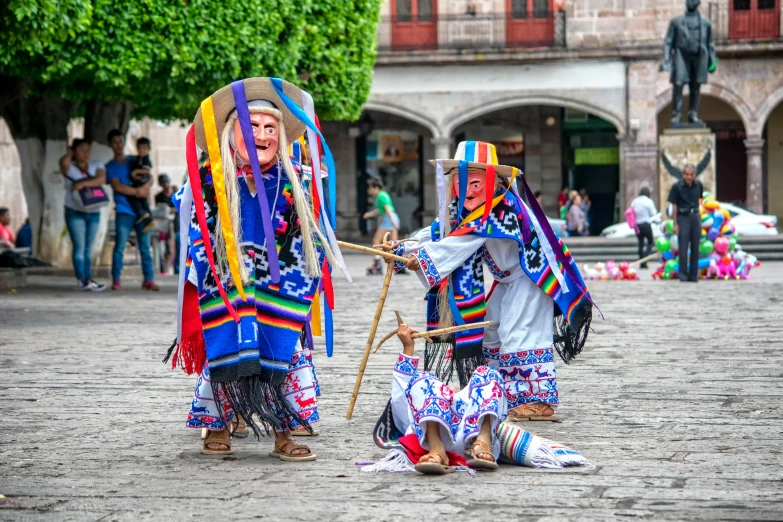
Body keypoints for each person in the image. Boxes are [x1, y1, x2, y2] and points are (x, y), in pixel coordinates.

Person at [168, 77, 349, 458]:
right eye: (251, 126)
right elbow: (197, 228)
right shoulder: (210, 180)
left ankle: (284, 432)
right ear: (231, 132)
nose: (261, 135)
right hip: (227, 283)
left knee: (283, 350)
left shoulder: (295, 181)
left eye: (270, 128)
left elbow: (309, 236)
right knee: (225, 346)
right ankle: (219, 425)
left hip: (279, 284)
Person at [381, 141, 594, 423]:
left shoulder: (502, 206)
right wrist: (402, 249)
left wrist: (421, 260)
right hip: (507, 281)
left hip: (531, 279)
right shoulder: (466, 210)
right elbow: (440, 233)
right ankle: (495, 392)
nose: (467, 189)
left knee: (519, 333)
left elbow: (461, 242)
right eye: (461, 180)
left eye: (475, 182)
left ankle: (536, 401)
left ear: (492, 180)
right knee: (491, 331)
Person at [389, 322, 506, 474]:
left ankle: (483, 442)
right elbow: (400, 401)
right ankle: (437, 449)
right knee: (423, 379)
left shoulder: (466, 400)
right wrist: (408, 348)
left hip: (469, 438)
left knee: (487, 373)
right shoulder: (422, 403)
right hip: (430, 443)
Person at [104, 130, 158, 291]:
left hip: (141, 210)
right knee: (120, 246)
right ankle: (116, 279)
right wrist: (137, 192)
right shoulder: (110, 166)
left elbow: (150, 176)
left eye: (121, 141)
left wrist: (146, 187)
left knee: (145, 247)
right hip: (124, 210)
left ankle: (149, 278)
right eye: (115, 142)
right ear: (110, 145)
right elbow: (116, 186)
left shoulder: (133, 160)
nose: (118, 145)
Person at [59, 139, 107, 291]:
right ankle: (82, 279)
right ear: (74, 151)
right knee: (79, 247)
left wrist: (82, 184)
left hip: (93, 211)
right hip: (74, 210)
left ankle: (89, 278)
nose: (85, 153)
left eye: (88, 150)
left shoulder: (95, 164)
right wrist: (70, 152)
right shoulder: (70, 167)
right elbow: (63, 163)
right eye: (81, 150)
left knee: (88, 248)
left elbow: (101, 179)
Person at [668, 163, 703, 282]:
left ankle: (693, 275)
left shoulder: (699, 185)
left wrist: (700, 219)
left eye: (691, 174)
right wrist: (675, 224)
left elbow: (700, 201)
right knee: (683, 248)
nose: (689, 177)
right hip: (683, 217)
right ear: (683, 175)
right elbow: (674, 206)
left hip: (696, 216)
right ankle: (682, 275)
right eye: (687, 174)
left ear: (695, 175)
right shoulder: (676, 187)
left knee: (695, 247)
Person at [362, 179, 400, 275]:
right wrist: (370, 214)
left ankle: (377, 263)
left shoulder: (381, 195)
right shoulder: (383, 194)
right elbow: (381, 209)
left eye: (371, 188)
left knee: (376, 241)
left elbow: (387, 208)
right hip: (391, 218)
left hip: (388, 219)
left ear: (376, 188)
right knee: (394, 244)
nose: (369, 190)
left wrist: (392, 220)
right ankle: (400, 265)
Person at [127, 138, 154, 232]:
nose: (141, 150)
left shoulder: (145, 159)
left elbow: (147, 170)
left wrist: (136, 172)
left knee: (135, 198)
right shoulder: (138, 158)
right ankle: (146, 217)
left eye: (144, 148)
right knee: (142, 201)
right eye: (139, 148)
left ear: (148, 149)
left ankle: (143, 214)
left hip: (140, 183)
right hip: (139, 182)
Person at [155, 174, 177, 275]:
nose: (166, 185)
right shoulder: (159, 196)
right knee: (164, 246)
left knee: (173, 246)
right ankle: (164, 269)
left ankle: (174, 268)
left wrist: (171, 210)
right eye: (163, 183)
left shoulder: (175, 194)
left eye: (167, 182)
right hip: (164, 223)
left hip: (176, 223)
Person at [631, 187, 658, 268]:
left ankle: (641, 260)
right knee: (650, 242)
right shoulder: (648, 201)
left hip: (637, 225)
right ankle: (644, 259)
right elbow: (654, 213)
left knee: (640, 243)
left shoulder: (635, 201)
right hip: (646, 224)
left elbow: (632, 211)